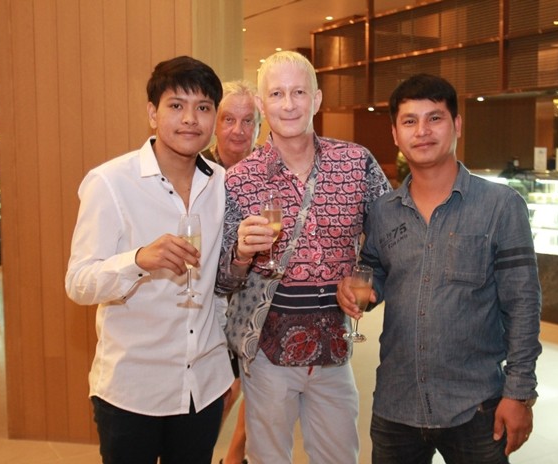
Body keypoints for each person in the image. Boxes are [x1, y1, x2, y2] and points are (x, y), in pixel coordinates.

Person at [337, 73, 542, 464]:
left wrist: (519, 393)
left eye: (435, 118)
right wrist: (358, 292)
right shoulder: (382, 211)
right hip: (397, 404)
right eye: (409, 121)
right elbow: (375, 271)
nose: (422, 131)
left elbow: (523, 304)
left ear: (457, 125)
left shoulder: (500, 206)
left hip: (476, 407)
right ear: (395, 134)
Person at [215, 50, 391, 464]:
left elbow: (390, 240)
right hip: (267, 354)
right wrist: (241, 253)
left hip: (334, 351)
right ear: (262, 105)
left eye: (299, 92)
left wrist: (369, 285)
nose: (289, 104)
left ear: (317, 99)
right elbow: (221, 280)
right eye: (277, 94)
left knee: (339, 457)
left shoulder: (355, 163)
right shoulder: (238, 180)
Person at [65, 55, 233, 464]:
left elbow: (223, 279)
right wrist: (138, 259)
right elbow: (79, 283)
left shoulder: (223, 185)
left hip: (203, 385)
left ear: (213, 118)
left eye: (203, 107)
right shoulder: (111, 182)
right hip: (133, 388)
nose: (190, 119)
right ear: (152, 114)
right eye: (176, 105)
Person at [204, 79, 261, 464]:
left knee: (253, 385)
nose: (238, 130)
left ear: (259, 126)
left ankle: (235, 456)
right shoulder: (197, 171)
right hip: (208, 299)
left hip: (257, 297)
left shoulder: (269, 173)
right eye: (229, 119)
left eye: (248, 120)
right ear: (214, 123)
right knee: (220, 395)